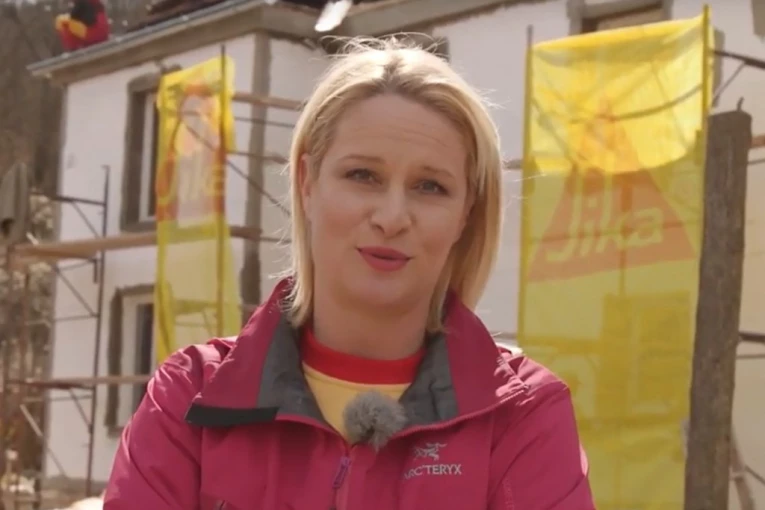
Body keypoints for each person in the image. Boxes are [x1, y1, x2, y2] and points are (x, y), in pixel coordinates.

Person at [104, 38, 594, 510]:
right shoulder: (188, 398)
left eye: (430, 186)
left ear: (466, 213)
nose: (392, 216)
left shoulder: (522, 414)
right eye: (363, 175)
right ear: (307, 182)